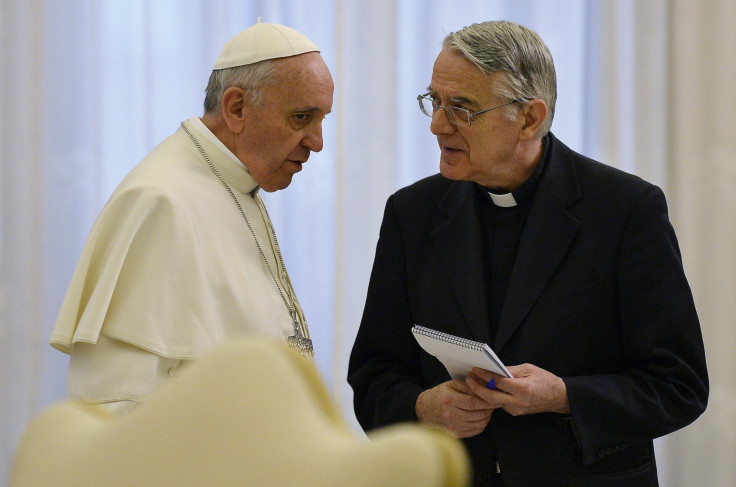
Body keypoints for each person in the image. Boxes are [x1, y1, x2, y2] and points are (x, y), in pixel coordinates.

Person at [347, 20, 708, 487]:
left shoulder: (625, 210)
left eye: (462, 108)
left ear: (530, 118)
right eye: (434, 102)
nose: (438, 124)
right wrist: (423, 407)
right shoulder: (412, 214)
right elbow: (373, 375)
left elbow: (679, 386)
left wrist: (563, 396)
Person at [50, 21, 334, 414]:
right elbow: (117, 408)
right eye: (302, 118)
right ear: (237, 108)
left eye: (323, 120)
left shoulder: (236, 183)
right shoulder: (158, 202)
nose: (317, 142)